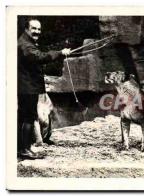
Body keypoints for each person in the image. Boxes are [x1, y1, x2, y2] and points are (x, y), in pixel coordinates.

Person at [18, 18, 71, 160]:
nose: (37, 32)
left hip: (27, 87)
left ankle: (23, 148)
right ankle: (24, 150)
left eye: (39, 29)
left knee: (26, 117)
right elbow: (39, 57)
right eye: (34, 28)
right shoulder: (25, 45)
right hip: (27, 88)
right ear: (26, 29)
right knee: (28, 118)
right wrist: (60, 53)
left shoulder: (27, 42)